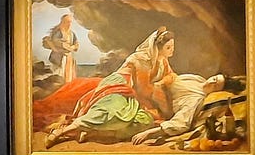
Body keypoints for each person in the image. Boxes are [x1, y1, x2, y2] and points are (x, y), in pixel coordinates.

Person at [45, 27, 175, 146]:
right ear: (157, 47)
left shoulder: (162, 60)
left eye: (172, 46)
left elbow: (171, 75)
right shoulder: (142, 59)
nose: (172, 50)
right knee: (111, 113)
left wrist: (162, 83)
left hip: (133, 94)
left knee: (144, 120)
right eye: (168, 47)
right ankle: (61, 132)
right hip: (119, 85)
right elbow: (143, 89)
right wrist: (156, 102)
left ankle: (92, 133)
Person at [42, 14, 80, 85]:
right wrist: (64, 45)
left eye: (70, 22)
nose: (69, 24)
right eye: (67, 22)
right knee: (58, 75)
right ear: (63, 22)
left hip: (69, 57)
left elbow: (76, 43)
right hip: (59, 57)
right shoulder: (58, 32)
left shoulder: (72, 33)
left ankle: (67, 87)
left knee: (69, 76)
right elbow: (55, 41)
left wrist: (73, 47)